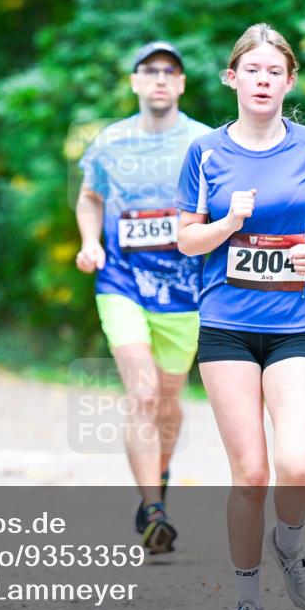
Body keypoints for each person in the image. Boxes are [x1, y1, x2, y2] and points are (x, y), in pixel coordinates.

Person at [174, 23, 305, 610]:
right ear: (232, 79)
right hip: (225, 327)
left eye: (275, 72)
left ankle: (292, 545)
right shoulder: (205, 153)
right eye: (252, 71)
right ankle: (245, 604)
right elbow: (186, 239)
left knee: (298, 465)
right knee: (250, 474)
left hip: (293, 329)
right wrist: (229, 220)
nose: (263, 81)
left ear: (289, 82)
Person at [75, 41, 212, 554]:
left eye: (169, 72)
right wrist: (91, 242)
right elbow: (90, 199)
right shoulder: (110, 143)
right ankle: (154, 509)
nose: (159, 79)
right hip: (123, 284)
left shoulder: (205, 143)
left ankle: (157, 481)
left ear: (180, 84)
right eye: (149, 71)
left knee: (169, 403)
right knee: (143, 395)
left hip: (186, 292)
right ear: (135, 82)